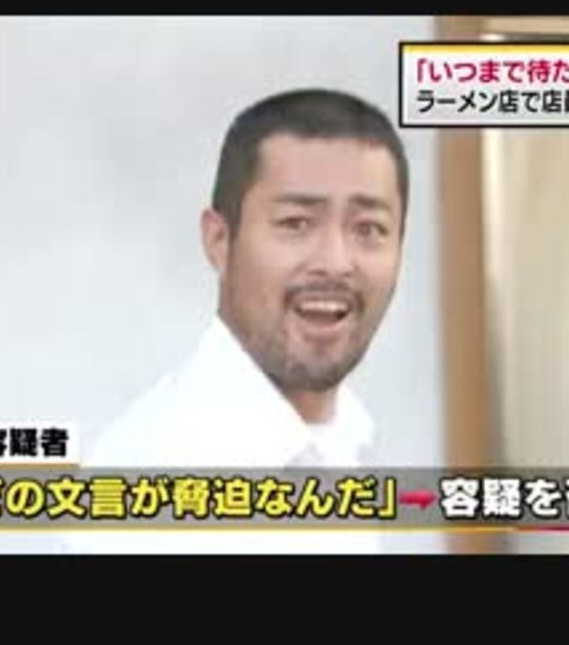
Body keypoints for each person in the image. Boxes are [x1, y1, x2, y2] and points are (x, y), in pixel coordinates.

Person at [64, 88, 409, 553]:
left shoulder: (350, 436)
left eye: (369, 229)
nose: (334, 262)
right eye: (296, 223)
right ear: (219, 241)